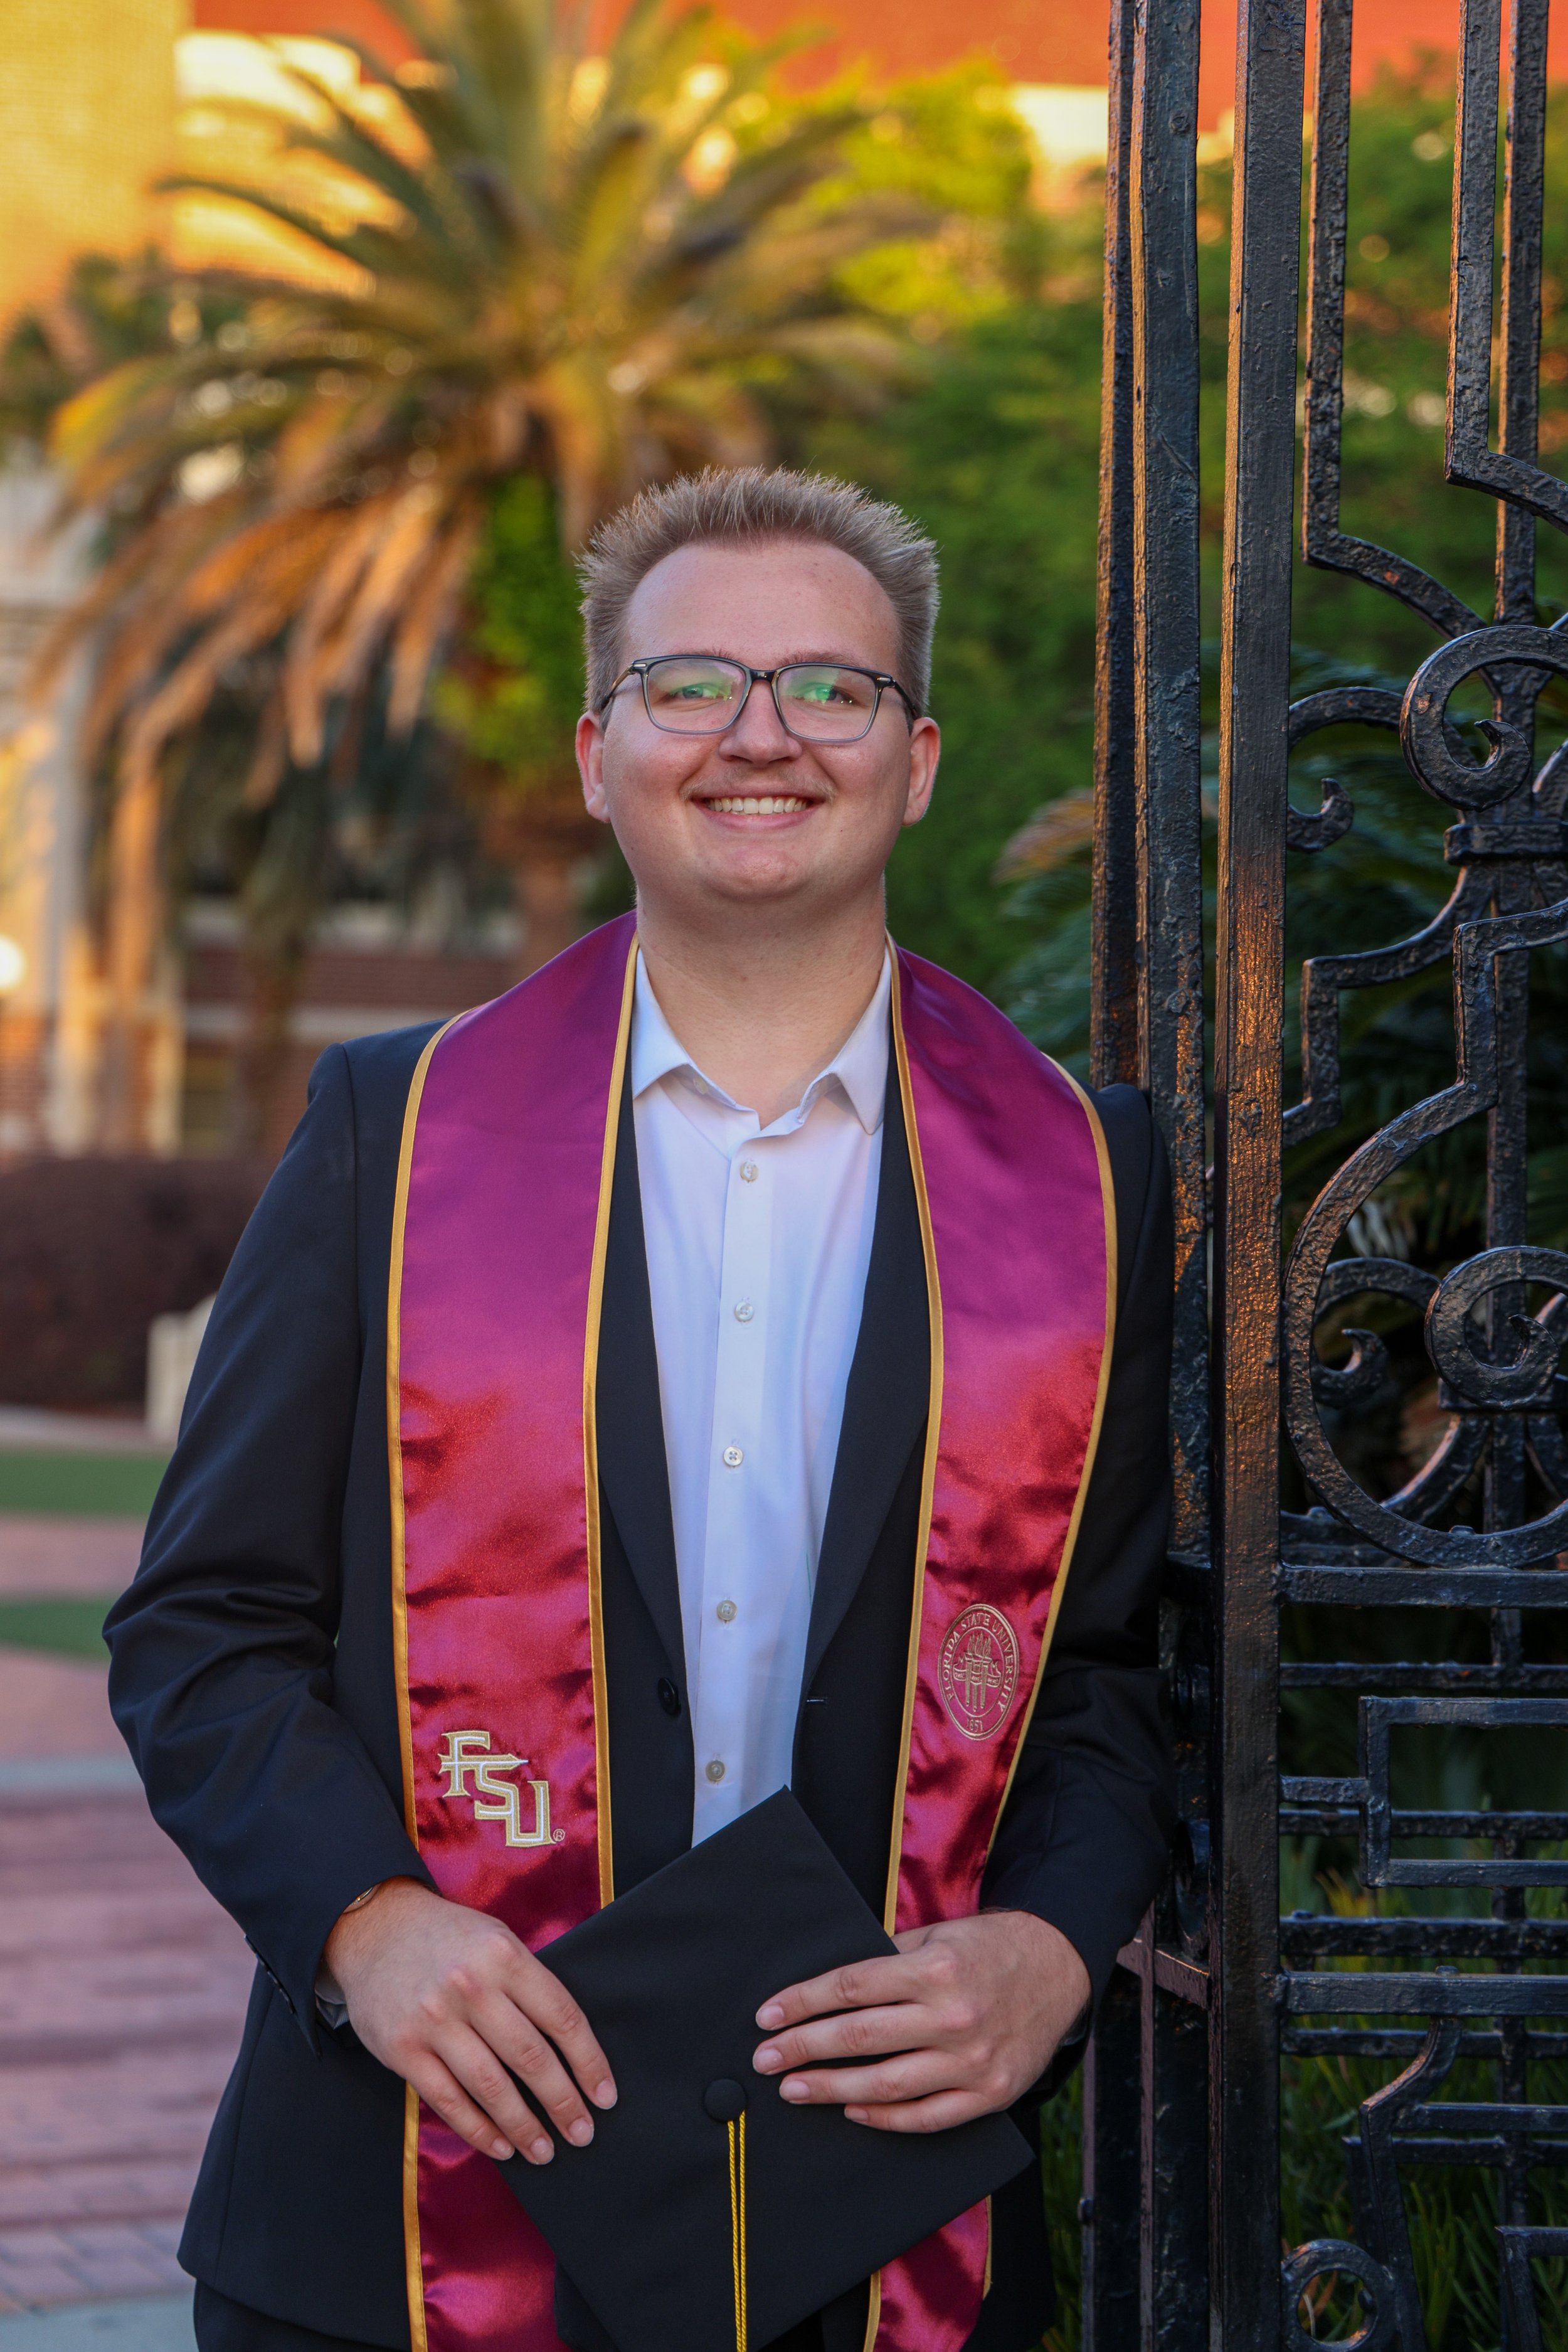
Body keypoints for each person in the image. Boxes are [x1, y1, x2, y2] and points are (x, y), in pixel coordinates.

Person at [107, 466, 1175, 2352]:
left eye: (827, 690)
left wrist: (1043, 1949)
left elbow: (1106, 1670)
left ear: (913, 760)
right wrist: (368, 1927)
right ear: (598, 752)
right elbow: (207, 1631)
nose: (760, 737)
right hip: (398, 2202)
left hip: (879, 2195)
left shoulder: (1086, 1180)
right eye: (692, 685)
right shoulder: (394, 1136)